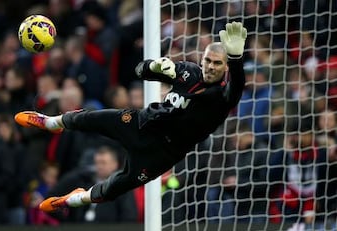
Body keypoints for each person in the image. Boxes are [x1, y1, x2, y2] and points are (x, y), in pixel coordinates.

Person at [14, 22, 247, 213]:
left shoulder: (223, 97)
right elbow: (139, 71)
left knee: (112, 189)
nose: (210, 66)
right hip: (142, 123)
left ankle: (73, 199)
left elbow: (236, 88)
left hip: (161, 153)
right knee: (91, 118)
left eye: (218, 63)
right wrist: (154, 66)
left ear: (225, 67)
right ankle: (50, 122)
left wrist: (236, 60)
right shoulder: (188, 71)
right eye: (208, 60)